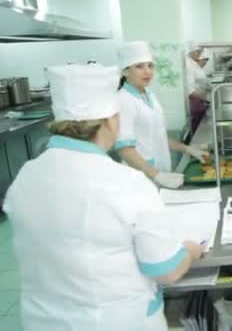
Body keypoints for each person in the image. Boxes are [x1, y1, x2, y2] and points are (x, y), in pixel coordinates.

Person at [3, 64, 204, 331]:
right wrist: (191, 250)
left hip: (43, 322)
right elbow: (166, 270)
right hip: (118, 321)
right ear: (111, 122)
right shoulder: (128, 184)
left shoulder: (25, 177)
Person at [115, 41, 208, 189]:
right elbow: (124, 149)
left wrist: (187, 149)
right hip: (141, 178)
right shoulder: (123, 100)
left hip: (160, 172)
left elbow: (158, 136)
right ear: (125, 71)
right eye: (139, 66)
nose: (147, 71)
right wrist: (156, 175)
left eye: (150, 65)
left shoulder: (150, 95)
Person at [185, 43, 210, 138]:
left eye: (201, 52)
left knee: (198, 126)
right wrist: (207, 98)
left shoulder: (192, 63)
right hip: (194, 102)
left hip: (200, 101)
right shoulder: (188, 65)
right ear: (191, 51)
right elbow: (189, 90)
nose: (200, 54)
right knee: (195, 129)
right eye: (198, 51)